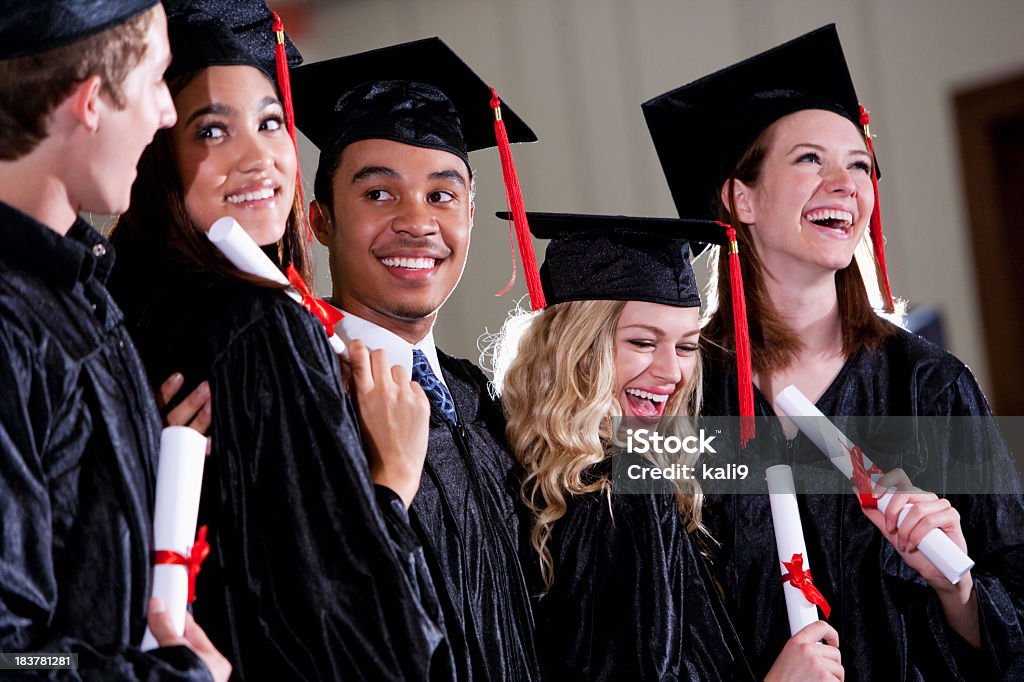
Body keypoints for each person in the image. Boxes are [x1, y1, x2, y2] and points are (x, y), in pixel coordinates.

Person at [643, 24, 1024, 680]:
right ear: (742, 197)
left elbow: (1015, 620)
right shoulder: (680, 397)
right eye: (810, 159)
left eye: (858, 164)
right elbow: (656, 630)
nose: (846, 184)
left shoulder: (928, 387)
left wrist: (954, 586)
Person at [107, 3, 449, 680]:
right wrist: (392, 480)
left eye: (270, 122)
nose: (257, 156)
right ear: (157, 155)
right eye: (212, 129)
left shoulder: (128, 315)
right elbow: (342, 622)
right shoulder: (259, 324)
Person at [490, 211, 847, 681]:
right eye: (642, 342)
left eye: (685, 347)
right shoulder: (628, 491)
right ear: (577, 346)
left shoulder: (526, 466)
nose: (672, 373)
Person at [291, 38, 542, 681]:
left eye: (441, 195)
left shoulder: (477, 397)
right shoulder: (298, 385)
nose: (417, 223)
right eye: (378, 194)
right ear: (320, 221)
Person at [0, 1, 230, 679]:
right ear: (91, 101)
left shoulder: (79, 288)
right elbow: (12, 655)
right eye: (158, 78)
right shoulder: (12, 326)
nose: (166, 112)